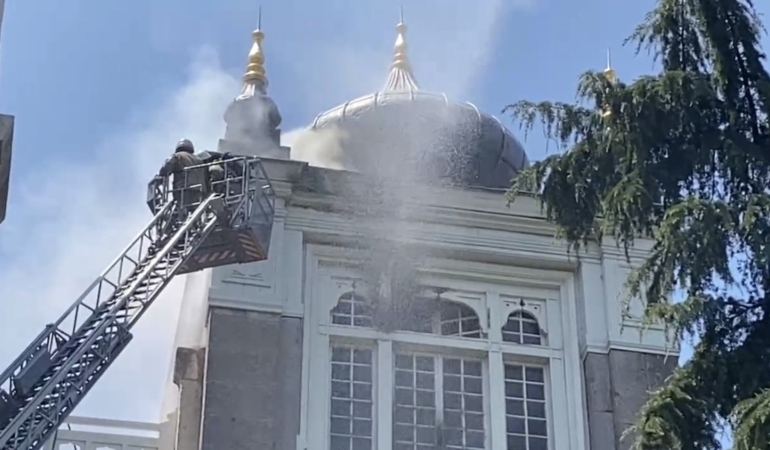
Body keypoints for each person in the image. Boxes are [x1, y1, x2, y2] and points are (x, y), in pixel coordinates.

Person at [159, 139, 206, 214]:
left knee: (182, 213)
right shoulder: (199, 160)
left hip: (183, 190)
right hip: (198, 191)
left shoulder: (178, 156)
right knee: (196, 212)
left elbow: (168, 166)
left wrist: (161, 176)